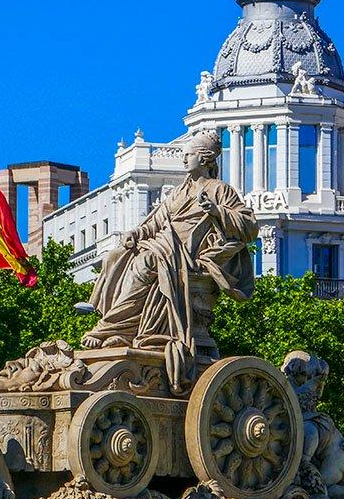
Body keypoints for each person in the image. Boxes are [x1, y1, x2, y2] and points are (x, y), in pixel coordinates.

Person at [76, 130, 257, 392]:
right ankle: (122, 328)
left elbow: (250, 226)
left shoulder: (220, 190)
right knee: (118, 255)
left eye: (190, 154)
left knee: (148, 261)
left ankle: (111, 326)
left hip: (188, 255)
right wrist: (135, 234)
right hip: (167, 246)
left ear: (204, 158)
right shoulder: (178, 192)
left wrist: (216, 211)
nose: (185, 160)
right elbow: (157, 222)